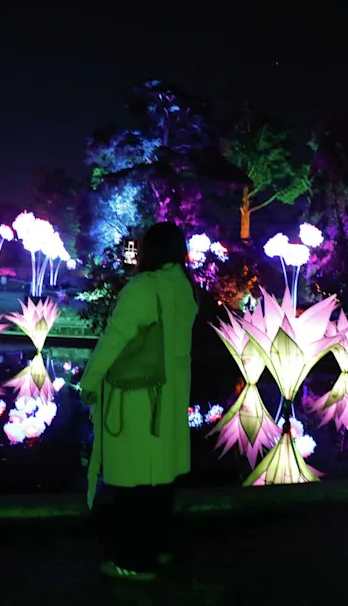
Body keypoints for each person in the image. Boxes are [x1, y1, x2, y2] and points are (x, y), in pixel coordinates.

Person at [79, 222, 198, 581]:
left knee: (133, 479)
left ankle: (134, 560)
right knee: (161, 477)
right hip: (173, 394)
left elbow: (115, 339)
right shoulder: (184, 286)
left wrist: (90, 381)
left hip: (140, 396)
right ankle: (159, 548)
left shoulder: (143, 289)